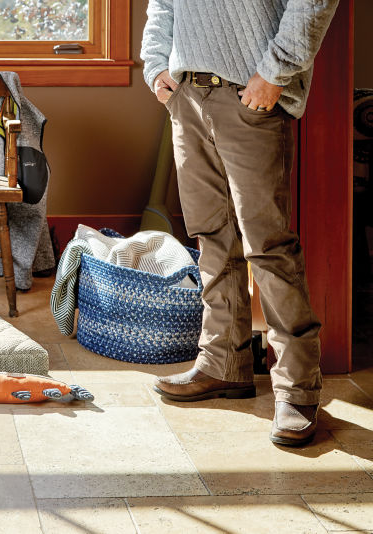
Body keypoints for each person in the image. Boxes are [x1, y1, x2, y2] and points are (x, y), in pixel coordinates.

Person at [140, 0, 339, 447]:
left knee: (268, 247)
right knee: (212, 236)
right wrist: (156, 65)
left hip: (251, 92)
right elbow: (162, 5)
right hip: (186, 94)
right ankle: (222, 363)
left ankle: (297, 389)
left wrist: (274, 72)